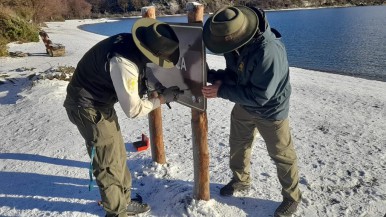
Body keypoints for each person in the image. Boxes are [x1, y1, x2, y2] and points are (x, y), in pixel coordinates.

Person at [64, 18, 182, 217]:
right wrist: (161, 99)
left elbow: (141, 71)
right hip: (88, 108)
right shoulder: (123, 61)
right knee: (107, 163)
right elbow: (134, 110)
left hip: (100, 103)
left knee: (117, 155)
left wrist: (157, 86)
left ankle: (123, 201)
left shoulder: (131, 44)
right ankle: (116, 212)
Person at [202, 6, 302, 217]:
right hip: (244, 105)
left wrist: (221, 91)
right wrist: (215, 76)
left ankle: (292, 197)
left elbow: (260, 96)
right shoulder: (234, 44)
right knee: (238, 145)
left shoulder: (268, 51)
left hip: (271, 110)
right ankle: (241, 180)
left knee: (282, 155)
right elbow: (235, 74)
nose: (224, 46)